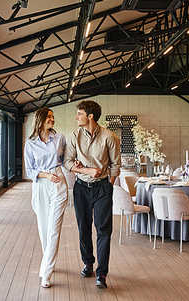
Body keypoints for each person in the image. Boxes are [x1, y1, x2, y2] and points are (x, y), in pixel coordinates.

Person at [64, 100, 121, 289]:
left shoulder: (110, 137)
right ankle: (88, 262)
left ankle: (102, 273)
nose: (76, 117)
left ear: (90, 116)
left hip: (103, 188)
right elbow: (67, 162)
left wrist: (109, 185)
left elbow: (115, 165)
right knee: (84, 228)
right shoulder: (74, 136)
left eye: (79, 113)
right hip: (81, 188)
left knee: (104, 230)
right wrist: (85, 171)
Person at [24, 107, 68, 288]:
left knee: (54, 229)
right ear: (41, 120)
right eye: (49, 117)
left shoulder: (60, 139)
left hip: (58, 183)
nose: (52, 119)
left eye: (53, 117)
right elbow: (30, 170)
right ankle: (48, 261)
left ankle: (46, 272)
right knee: (43, 229)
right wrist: (46, 176)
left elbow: (67, 159)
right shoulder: (30, 143)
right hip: (41, 185)